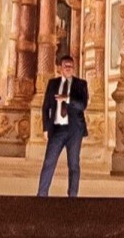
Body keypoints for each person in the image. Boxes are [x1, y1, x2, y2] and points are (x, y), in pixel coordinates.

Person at [36, 55, 88, 197]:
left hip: (74, 130)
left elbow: (82, 105)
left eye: (71, 66)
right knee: (49, 162)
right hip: (57, 129)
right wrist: (45, 128)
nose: (68, 68)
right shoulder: (53, 84)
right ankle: (42, 194)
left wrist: (67, 99)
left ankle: (72, 196)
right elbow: (46, 107)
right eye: (66, 66)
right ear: (60, 68)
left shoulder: (81, 84)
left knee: (73, 164)